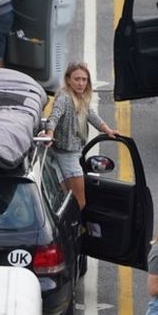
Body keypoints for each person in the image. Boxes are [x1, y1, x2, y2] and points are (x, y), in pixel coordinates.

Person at [43, 63, 120, 210]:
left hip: (67, 153)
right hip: (67, 155)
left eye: (84, 79)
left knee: (65, 199)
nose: (81, 83)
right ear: (68, 80)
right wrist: (50, 133)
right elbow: (53, 117)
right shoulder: (64, 98)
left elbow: (91, 115)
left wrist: (107, 130)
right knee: (80, 203)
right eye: (77, 79)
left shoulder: (80, 97)